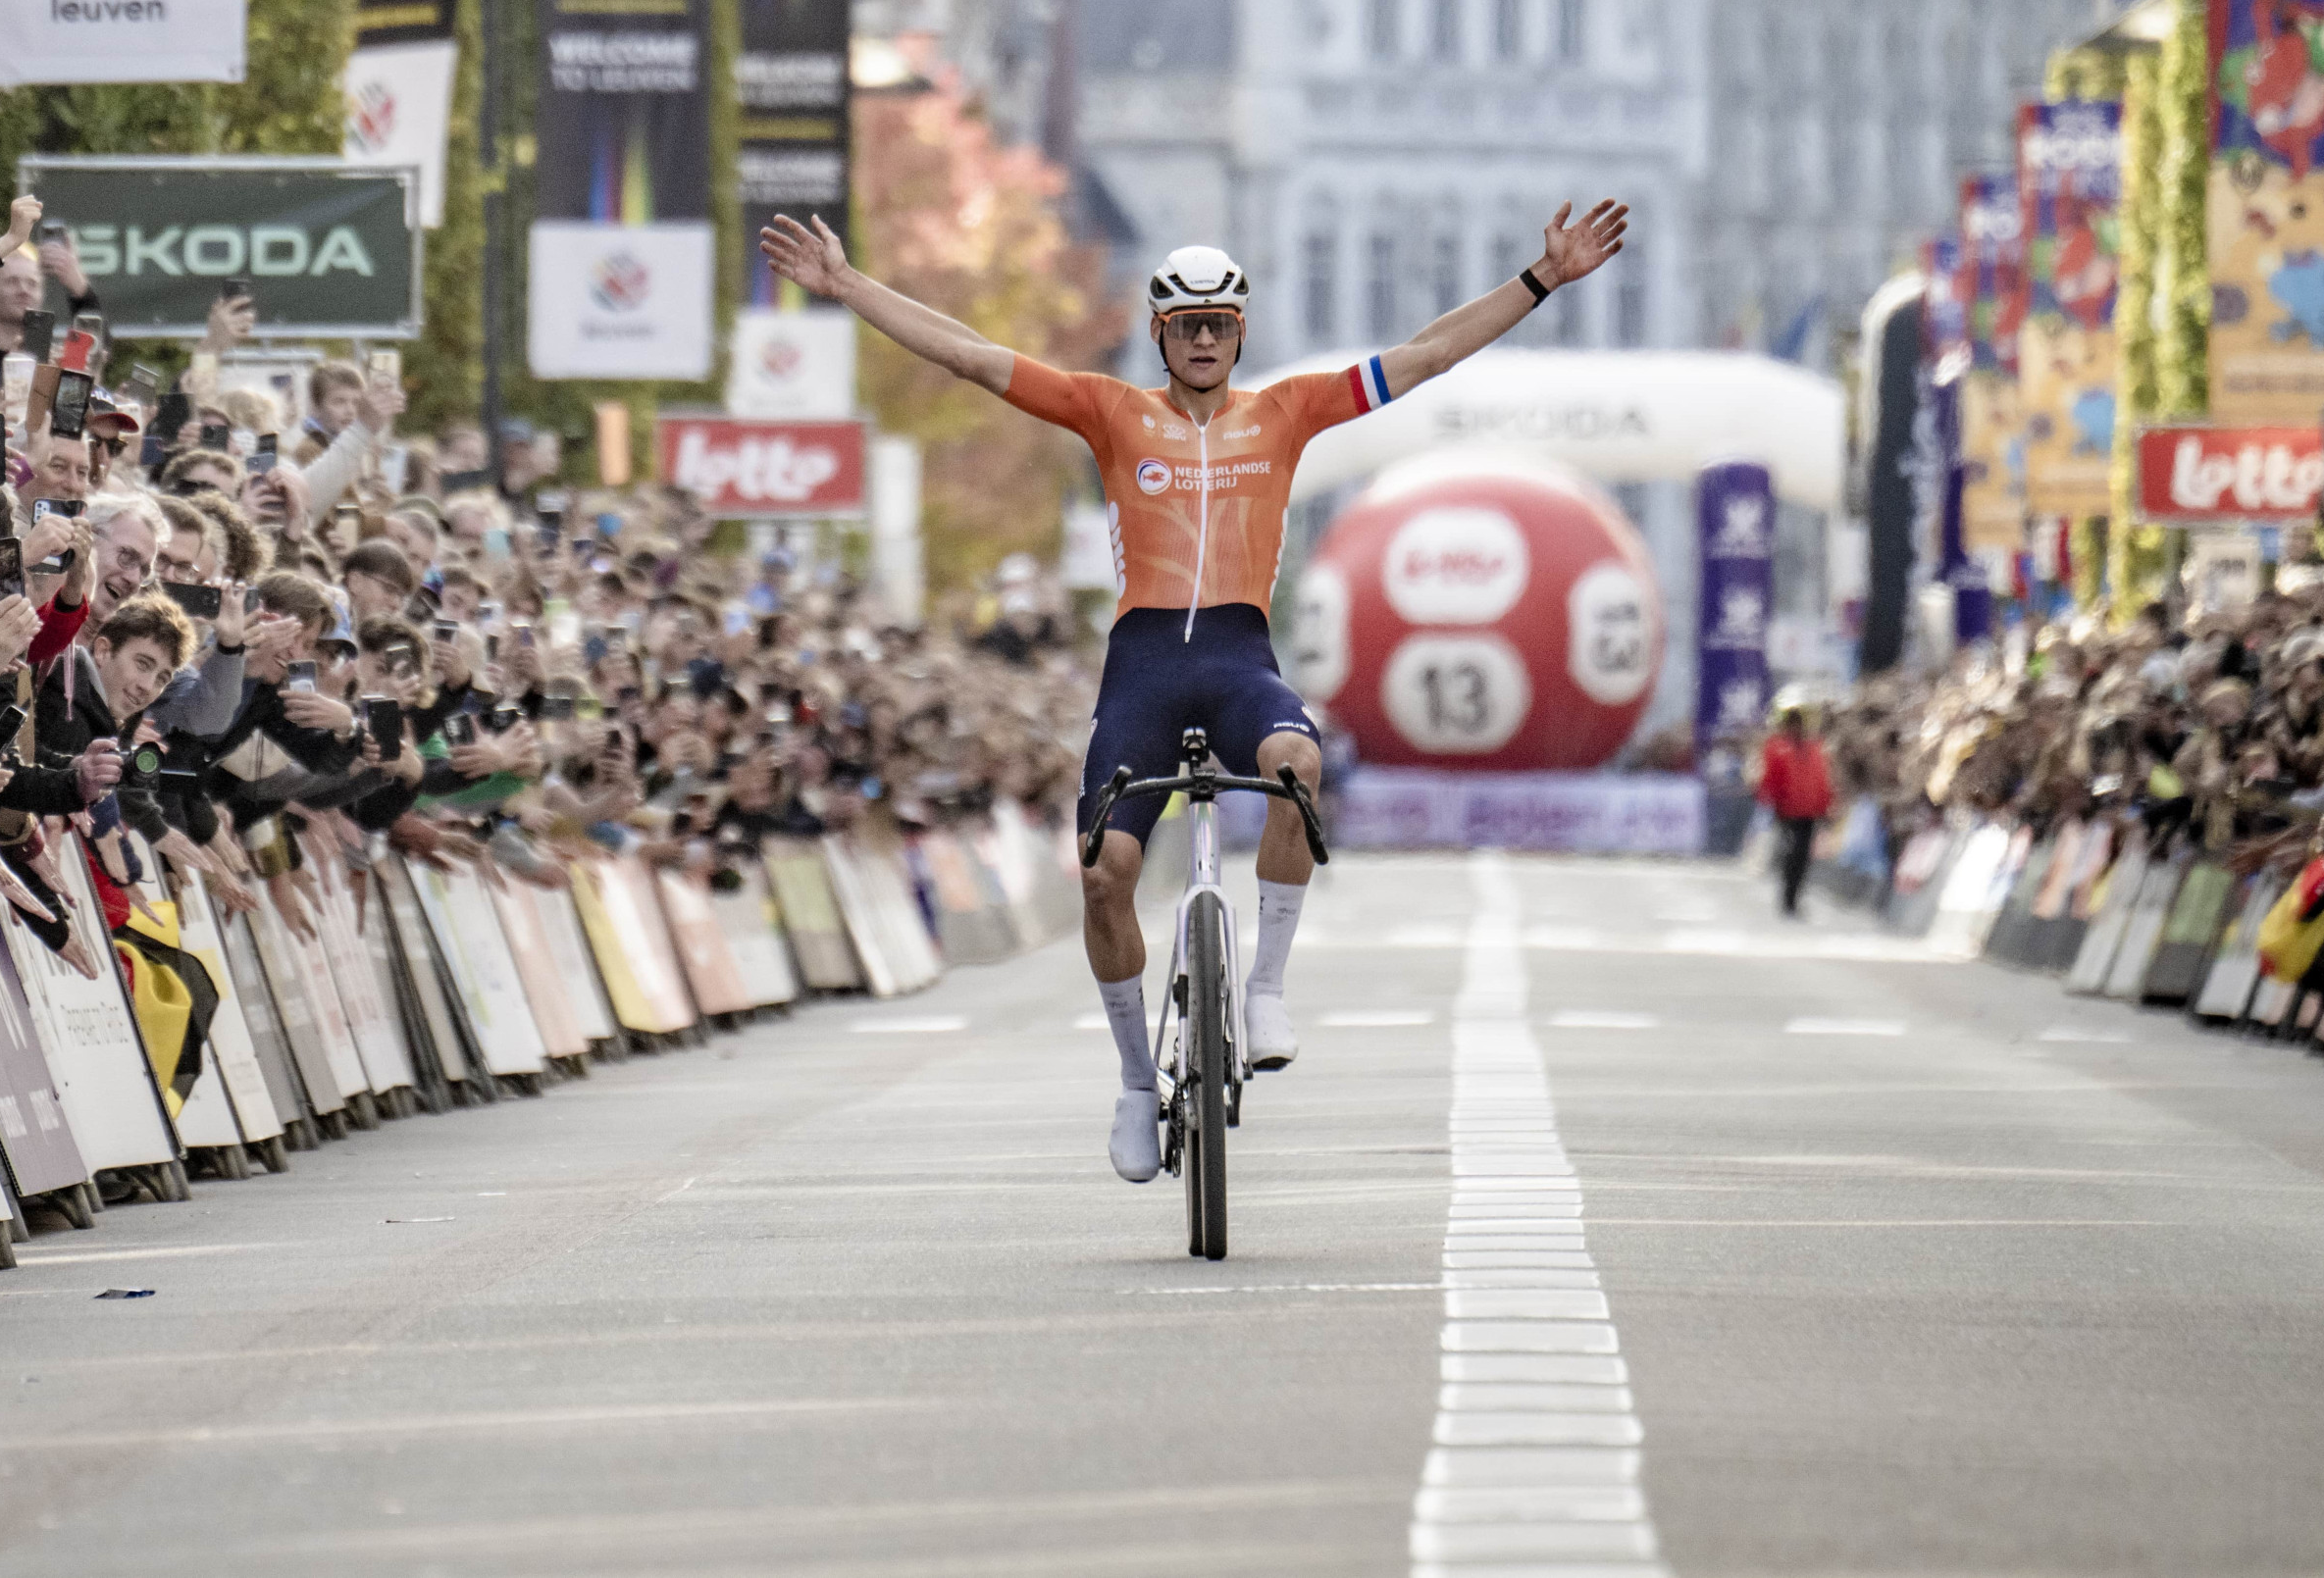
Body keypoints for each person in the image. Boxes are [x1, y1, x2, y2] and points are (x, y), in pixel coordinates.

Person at [758, 198, 1629, 1183]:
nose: (1205, 341)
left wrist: (1540, 280)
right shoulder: (1107, 411)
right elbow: (969, 354)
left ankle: (1263, 989)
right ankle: (1136, 1079)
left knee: (1295, 765)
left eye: (1220, 325)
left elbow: (1424, 356)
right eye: (1187, 326)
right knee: (1103, 877)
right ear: (1161, 333)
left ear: (1240, 332)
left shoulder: (1288, 411)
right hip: (1142, 670)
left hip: (1236, 661)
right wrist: (846, 286)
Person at [1755, 701, 1835, 917]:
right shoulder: (1776, 747)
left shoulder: (1815, 747)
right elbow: (1770, 778)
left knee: (1803, 856)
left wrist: (1826, 805)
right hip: (1786, 811)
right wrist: (1771, 801)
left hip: (1810, 812)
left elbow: (1822, 779)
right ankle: (1788, 898)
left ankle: (1794, 897)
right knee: (1792, 853)